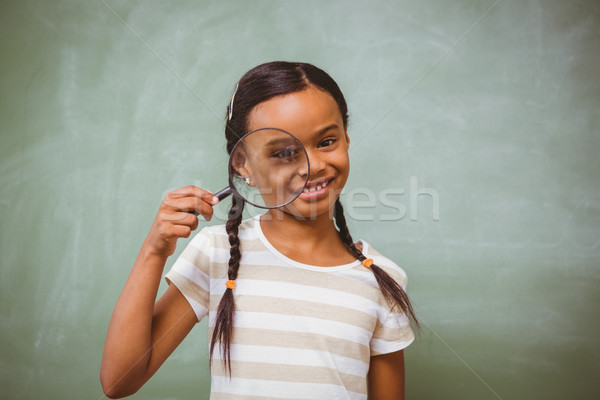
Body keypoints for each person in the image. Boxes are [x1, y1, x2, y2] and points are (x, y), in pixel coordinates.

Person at [100, 61, 418, 400]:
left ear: (347, 138)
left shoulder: (381, 278)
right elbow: (120, 381)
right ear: (242, 164)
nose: (312, 166)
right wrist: (153, 251)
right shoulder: (216, 252)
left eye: (326, 141)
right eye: (283, 153)